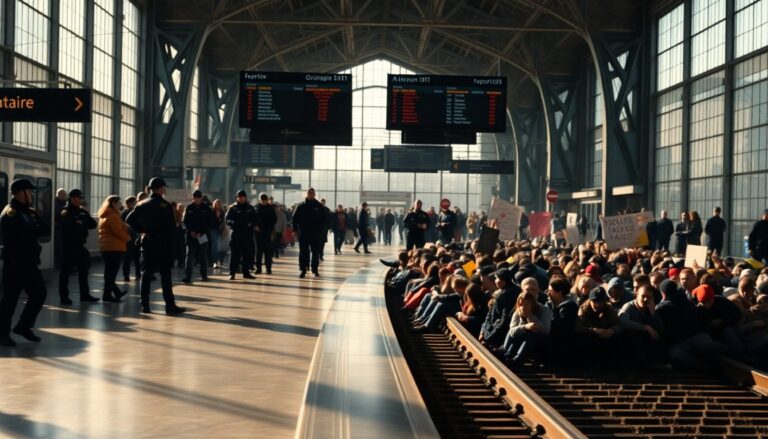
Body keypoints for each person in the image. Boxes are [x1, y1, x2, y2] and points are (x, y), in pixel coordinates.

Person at [125, 177, 186, 315]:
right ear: (161, 189)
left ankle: (145, 305)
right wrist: (173, 248)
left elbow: (129, 219)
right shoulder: (166, 205)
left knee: (145, 274)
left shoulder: (141, 204)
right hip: (163, 244)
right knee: (165, 275)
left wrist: (142, 230)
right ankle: (170, 306)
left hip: (147, 243)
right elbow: (171, 229)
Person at [0, 179, 48, 346]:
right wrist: (32, 229)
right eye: (29, 191)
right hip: (15, 264)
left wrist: (34, 225)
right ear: (20, 193)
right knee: (9, 300)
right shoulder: (10, 213)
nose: (32, 194)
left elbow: (44, 229)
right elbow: (18, 237)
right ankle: (2, 334)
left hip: (29, 263)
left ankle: (23, 326)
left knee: (40, 293)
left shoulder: (30, 212)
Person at [59, 188, 99, 305]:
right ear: (71, 199)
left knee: (84, 271)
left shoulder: (81, 211)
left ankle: (85, 294)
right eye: (78, 198)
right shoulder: (65, 211)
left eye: (81, 198)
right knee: (65, 272)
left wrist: (82, 223)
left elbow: (93, 223)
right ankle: (64, 297)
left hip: (80, 246)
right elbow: (67, 225)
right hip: (68, 246)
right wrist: (79, 223)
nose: (80, 200)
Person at [501, 290, 552, 366]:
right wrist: (525, 327)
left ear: (532, 304)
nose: (523, 307)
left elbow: (546, 330)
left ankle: (517, 359)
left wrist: (530, 316)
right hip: (521, 339)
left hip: (539, 341)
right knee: (516, 331)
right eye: (521, 304)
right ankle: (506, 354)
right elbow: (511, 332)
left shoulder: (544, 310)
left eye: (526, 304)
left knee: (532, 334)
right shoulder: (518, 311)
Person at [618, 284, 664, 367]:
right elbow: (623, 321)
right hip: (631, 342)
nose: (645, 299)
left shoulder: (650, 307)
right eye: (643, 296)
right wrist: (646, 327)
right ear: (637, 296)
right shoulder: (629, 307)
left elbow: (660, 328)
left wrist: (653, 312)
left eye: (649, 297)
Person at [98, 195, 131, 302]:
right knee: (111, 273)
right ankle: (108, 295)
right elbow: (117, 231)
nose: (120, 204)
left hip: (107, 247)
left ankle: (114, 293)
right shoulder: (113, 215)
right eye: (118, 203)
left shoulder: (106, 214)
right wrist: (128, 238)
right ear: (113, 203)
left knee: (109, 272)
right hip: (114, 247)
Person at [292, 188, 326, 278]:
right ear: (306, 194)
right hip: (303, 233)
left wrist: (321, 231)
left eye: (312, 193)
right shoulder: (300, 206)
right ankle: (303, 269)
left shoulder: (319, 206)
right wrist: (295, 230)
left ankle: (315, 270)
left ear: (315, 194)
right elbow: (294, 219)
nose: (311, 194)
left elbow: (324, 220)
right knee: (303, 252)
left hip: (315, 233)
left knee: (315, 252)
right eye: (309, 193)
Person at [182, 190, 213, 283]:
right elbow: (184, 222)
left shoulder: (207, 208)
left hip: (202, 236)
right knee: (189, 256)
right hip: (191, 236)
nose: (196, 200)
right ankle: (188, 276)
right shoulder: (189, 208)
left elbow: (209, 222)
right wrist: (190, 231)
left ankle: (204, 275)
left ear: (201, 198)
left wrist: (202, 232)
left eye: (198, 198)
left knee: (203, 256)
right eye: (195, 198)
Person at [226, 190, 256, 280]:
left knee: (247, 255)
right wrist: (233, 223)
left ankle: (246, 272)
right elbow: (227, 220)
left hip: (247, 235)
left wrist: (252, 225)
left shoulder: (250, 208)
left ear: (245, 197)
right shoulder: (233, 208)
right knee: (235, 255)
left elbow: (255, 219)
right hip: (236, 235)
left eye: (243, 197)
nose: (241, 198)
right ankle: (232, 273)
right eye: (239, 197)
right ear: (237, 198)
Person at [254, 193, 277, 274]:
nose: (263, 202)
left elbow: (274, 219)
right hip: (258, 232)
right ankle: (258, 268)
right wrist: (255, 226)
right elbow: (252, 218)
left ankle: (268, 268)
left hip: (267, 231)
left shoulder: (270, 208)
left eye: (264, 200)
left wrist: (270, 228)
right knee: (259, 251)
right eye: (262, 200)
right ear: (259, 200)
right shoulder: (255, 208)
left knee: (268, 251)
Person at [121, 196, 140, 281]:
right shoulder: (125, 213)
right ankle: (127, 275)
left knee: (136, 257)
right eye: (134, 202)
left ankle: (137, 274)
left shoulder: (130, 212)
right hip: (129, 238)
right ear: (129, 203)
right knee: (128, 258)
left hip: (134, 237)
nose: (136, 204)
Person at [53, 188, 67, 269]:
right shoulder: (57, 205)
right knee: (59, 247)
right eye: (64, 194)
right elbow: (58, 216)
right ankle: (59, 264)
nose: (66, 196)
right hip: (58, 228)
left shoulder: (61, 204)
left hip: (61, 227)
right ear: (60, 195)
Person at [209, 199, 226, 269]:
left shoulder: (222, 212)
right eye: (216, 203)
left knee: (222, 246)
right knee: (215, 245)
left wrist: (223, 228)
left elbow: (224, 221)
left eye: (219, 203)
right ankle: (214, 261)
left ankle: (220, 260)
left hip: (220, 230)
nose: (218, 205)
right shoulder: (211, 211)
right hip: (213, 229)